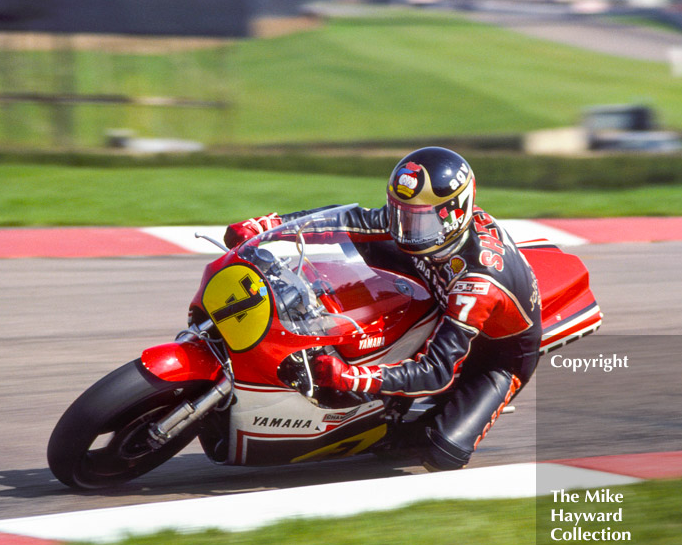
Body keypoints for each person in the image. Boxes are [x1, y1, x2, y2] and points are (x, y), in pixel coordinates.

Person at [223, 147, 542, 471]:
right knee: (367, 240)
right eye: (401, 213)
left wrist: (352, 378)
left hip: (496, 353)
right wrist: (268, 226)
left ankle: (386, 415)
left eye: (418, 221)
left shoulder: (477, 285)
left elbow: (436, 370)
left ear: (454, 214)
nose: (405, 228)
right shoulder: (424, 222)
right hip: (439, 284)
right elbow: (350, 220)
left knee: (442, 452)